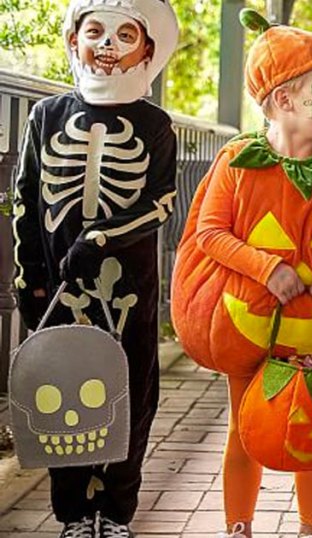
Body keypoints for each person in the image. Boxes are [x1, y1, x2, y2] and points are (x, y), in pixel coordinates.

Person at [170, 10, 312, 538]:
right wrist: (266, 268)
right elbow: (209, 233)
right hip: (254, 322)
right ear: (285, 100)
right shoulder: (238, 161)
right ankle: (238, 526)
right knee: (244, 428)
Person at [12, 0, 179, 535]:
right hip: (60, 289)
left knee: (128, 393)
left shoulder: (155, 124)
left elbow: (160, 202)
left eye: (124, 34)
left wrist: (102, 236)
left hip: (128, 291)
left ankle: (115, 510)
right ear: (72, 40)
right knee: (60, 394)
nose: (107, 45)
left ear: (147, 50)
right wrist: (29, 278)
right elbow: (25, 200)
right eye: (95, 32)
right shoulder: (46, 117)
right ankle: (73, 515)